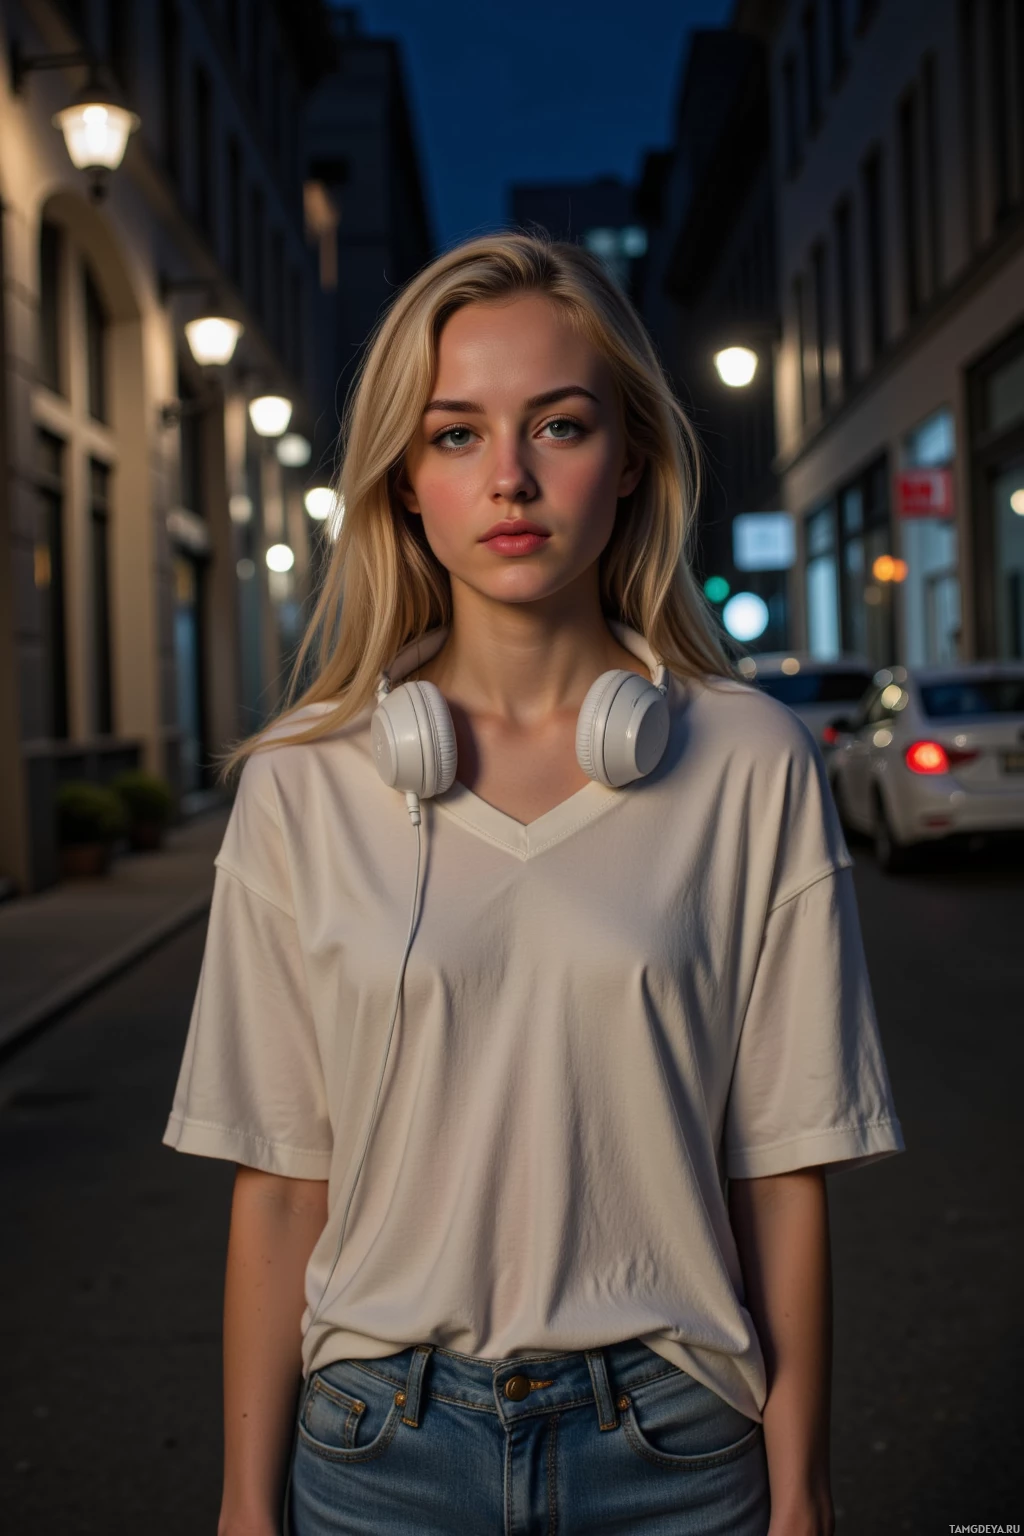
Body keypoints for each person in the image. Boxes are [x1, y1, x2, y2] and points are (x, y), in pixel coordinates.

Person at [163, 234, 903, 1536]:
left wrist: (803, 1487)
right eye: (455, 436)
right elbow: (280, 1185)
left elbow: (781, 1168)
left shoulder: (747, 762)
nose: (508, 478)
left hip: (673, 1444)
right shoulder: (303, 784)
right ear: (402, 483)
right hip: (376, 1448)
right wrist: (241, 1506)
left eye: (558, 426)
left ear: (631, 462)